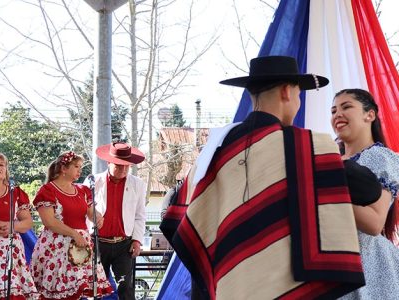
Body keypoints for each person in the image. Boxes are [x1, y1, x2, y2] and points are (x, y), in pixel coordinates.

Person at [160, 56, 385, 299]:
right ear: (287, 92)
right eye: (300, 94)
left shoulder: (214, 148)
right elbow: (370, 190)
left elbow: (178, 216)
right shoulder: (306, 149)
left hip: (222, 284)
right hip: (281, 284)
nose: (298, 102)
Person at [331, 88, 399, 299]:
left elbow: (374, 222)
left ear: (370, 115)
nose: (337, 115)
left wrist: (328, 195)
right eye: (333, 111)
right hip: (332, 266)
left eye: (346, 107)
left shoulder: (379, 157)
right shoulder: (329, 158)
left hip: (369, 268)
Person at [30, 151, 113, 299]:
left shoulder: (83, 190)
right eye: (76, 166)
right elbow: (49, 222)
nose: (79, 171)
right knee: (57, 292)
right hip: (56, 247)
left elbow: (91, 212)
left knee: (79, 290)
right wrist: (74, 234)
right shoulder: (47, 191)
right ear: (64, 168)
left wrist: (98, 218)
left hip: (80, 247)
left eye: (80, 167)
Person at [85, 142, 147, 300]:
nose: (123, 169)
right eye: (119, 166)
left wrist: (137, 240)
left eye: (127, 166)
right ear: (108, 163)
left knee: (125, 286)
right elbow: (82, 210)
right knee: (95, 287)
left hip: (124, 244)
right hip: (97, 242)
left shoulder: (138, 184)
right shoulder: (93, 181)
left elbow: (140, 215)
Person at [0, 152, 39, 299]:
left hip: (11, 248)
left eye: (1, 165)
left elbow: (27, 222)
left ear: (6, 168)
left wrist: (12, 226)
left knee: (12, 291)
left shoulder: (15, 192)